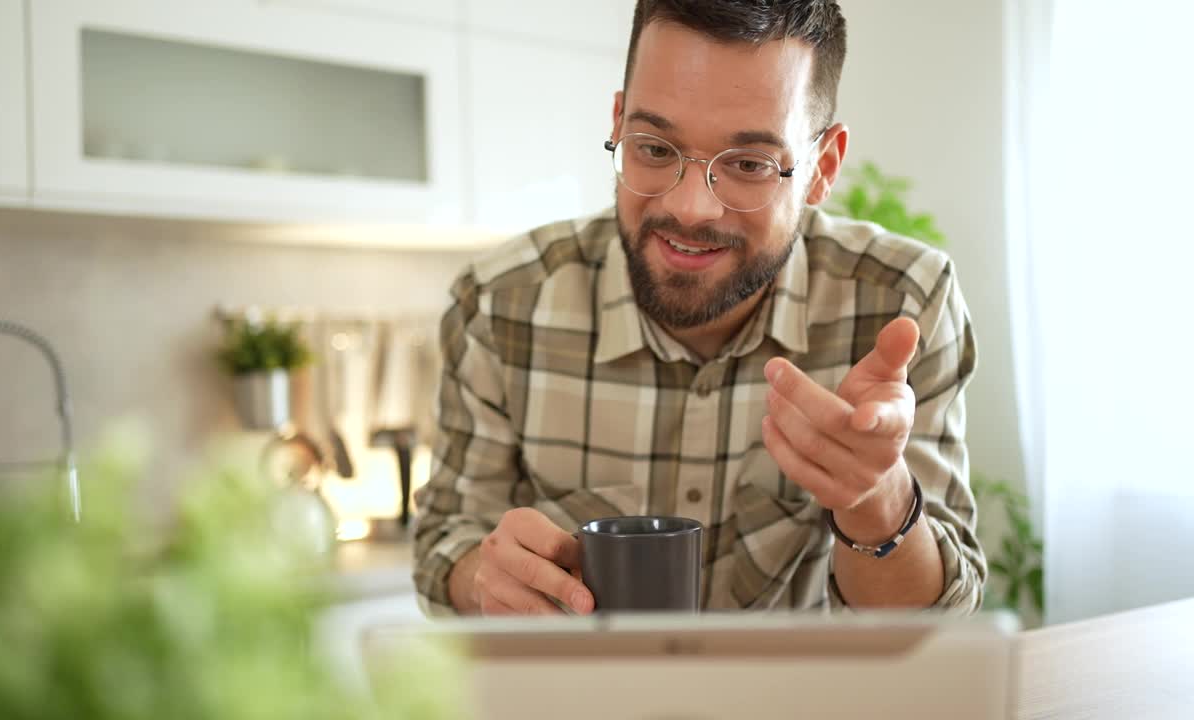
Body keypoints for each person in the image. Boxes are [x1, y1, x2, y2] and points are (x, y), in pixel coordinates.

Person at [413, 0, 985, 616]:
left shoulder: (901, 303)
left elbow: (935, 627)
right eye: (655, 148)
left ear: (823, 168)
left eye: (748, 164)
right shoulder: (500, 306)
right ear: (618, 123)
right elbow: (446, 542)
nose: (690, 208)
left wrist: (875, 495)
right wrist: (481, 578)